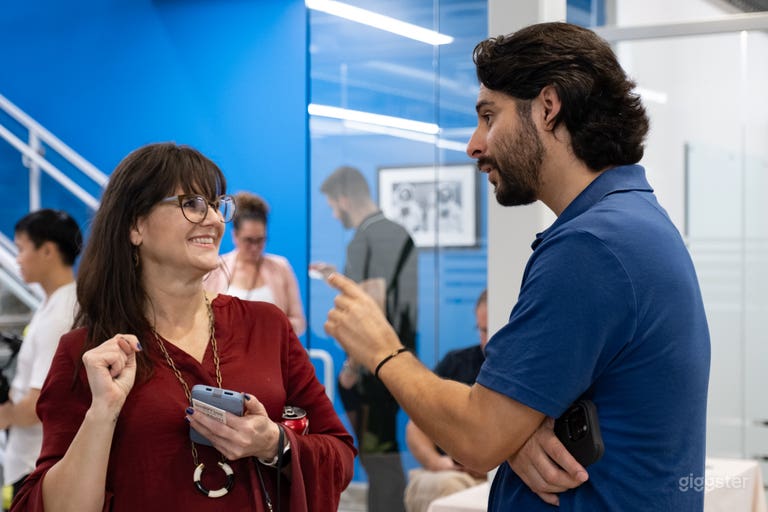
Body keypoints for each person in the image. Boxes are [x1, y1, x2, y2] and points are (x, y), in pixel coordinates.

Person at [324, 21, 710, 511]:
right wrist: (517, 434)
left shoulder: (591, 247)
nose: (474, 145)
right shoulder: (630, 222)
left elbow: (477, 436)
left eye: (489, 116)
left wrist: (381, 349)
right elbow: (505, 424)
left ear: (548, 107)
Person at [11, 142, 355, 512]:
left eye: (216, 204)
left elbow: (338, 454)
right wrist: (102, 413)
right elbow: (55, 506)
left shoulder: (266, 326)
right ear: (135, 225)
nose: (214, 219)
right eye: (191, 203)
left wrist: (274, 443)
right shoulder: (89, 354)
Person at [312, 165, 417, 512]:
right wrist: (337, 276)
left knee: (380, 463)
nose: (333, 214)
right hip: (397, 362)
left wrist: (353, 365)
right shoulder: (397, 233)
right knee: (383, 460)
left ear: (344, 198)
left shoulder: (363, 239)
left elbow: (373, 306)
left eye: (332, 206)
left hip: (373, 372)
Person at [0, 209, 81, 510]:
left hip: (37, 464)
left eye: (22, 249)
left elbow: (39, 405)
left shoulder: (61, 314)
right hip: (33, 459)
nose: (18, 259)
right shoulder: (56, 303)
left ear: (47, 250)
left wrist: (6, 415)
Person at [403, 290, 488, 512]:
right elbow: (416, 427)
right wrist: (437, 463)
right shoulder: (456, 363)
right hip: (449, 472)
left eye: (492, 330)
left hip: (499, 475)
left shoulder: (524, 371)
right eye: (482, 330)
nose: (488, 340)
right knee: (447, 485)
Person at [205, 191, 306, 336]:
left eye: (260, 240)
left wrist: (273, 327)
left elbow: (299, 322)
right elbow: (203, 320)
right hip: (227, 349)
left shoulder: (281, 267)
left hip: (271, 347)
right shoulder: (215, 268)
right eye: (249, 240)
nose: (254, 247)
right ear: (235, 236)